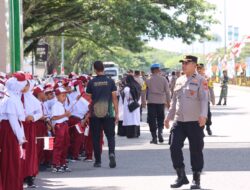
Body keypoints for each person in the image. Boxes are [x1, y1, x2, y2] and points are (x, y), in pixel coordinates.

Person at [164, 55, 208, 189]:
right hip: (179, 121)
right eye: (182, 63)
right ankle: (181, 175)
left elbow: (204, 99)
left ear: (194, 65)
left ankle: (196, 179)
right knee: (174, 146)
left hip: (195, 121)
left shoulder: (201, 80)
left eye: (186, 63)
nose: (183, 65)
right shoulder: (179, 80)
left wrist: (203, 115)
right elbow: (174, 101)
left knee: (196, 149)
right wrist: (168, 117)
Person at [86, 60, 118, 168]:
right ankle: (111, 153)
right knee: (110, 136)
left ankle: (98, 161)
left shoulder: (91, 82)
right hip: (108, 113)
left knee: (96, 137)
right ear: (103, 68)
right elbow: (114, 98)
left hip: (95, 114)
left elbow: (89, 100)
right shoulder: (110, 82)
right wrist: (117, 113)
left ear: (94, 69)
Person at [0, 73, 28, 190]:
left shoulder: (12, 97)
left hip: (10, 131)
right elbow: (13, 121)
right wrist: (21, 138)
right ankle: (10, 186)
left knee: (12, 160)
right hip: (9, 133)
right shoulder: (11, 100)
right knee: (11, 160)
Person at [145, 63, 171, 144]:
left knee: (151, 120)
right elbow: (167, 92)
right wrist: (168, 102)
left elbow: (144, 91)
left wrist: (143, 102)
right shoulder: (163, 79)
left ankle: (154, 137)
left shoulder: (147, 79)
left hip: (151, 102)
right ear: (157, 70)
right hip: (161, 102)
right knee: (160, 118)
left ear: (152, 70)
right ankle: (160, 133)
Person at [51, 87, 71, 173]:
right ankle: (56, 164)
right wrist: (65, 115)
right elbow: (54, 117)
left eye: (65, 96)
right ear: (57, 96)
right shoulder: (56, 105)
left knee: (65, 145)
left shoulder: (62, 105)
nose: (64, 97)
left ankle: (63, 162)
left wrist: (67, 115)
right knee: (58, 145)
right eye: (62, 95)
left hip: (64, 125)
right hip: (59, 126)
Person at [197, 64, 215, 136]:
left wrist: (213, 99)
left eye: (200, 68)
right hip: (197, 101)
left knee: (208, 114)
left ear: (203, 69)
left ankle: (208, 127)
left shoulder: (207, 78)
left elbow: (211, 89)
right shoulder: (194, 77)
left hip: (206, 100)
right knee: (198, 115)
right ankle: (201, 129)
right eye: (198, 68)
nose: (199, 70)